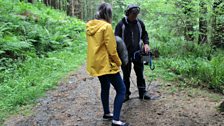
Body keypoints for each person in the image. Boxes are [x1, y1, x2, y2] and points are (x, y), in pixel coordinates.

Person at [86, 3, 129, 126]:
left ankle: (106, 113)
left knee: (105, 87)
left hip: (96, 63)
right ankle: (116, 120)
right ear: (108, 14)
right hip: (106, 63)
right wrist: (118, 62)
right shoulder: (106, 27)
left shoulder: (90, 26)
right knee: (121, 89)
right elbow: (112, 49)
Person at [115, 4, 151, 101]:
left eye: (136, 14)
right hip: (124, 54)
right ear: (127, 13)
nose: (134, 16)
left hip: (138, 52)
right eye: (133, 14)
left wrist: (146, 44)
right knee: (126, 75)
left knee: (140, 73)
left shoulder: (140, 23)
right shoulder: (121, 24)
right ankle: (126, 94)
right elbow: (116, 39)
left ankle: (142, 92)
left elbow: (144, 34)